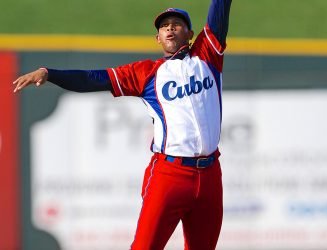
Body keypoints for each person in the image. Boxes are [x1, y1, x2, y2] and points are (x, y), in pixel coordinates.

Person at [13, 0, 232, 249]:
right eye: (165, 27)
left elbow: (220, 9)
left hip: (210, 176)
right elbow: (92, 79)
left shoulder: (208, 54)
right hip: (171, 174)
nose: (170, 29)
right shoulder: (146, 73)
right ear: (157, 38)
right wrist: (50, 73)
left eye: (177, 25)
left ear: (190, 35)